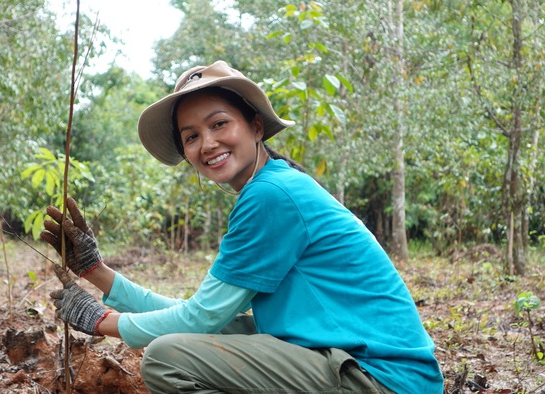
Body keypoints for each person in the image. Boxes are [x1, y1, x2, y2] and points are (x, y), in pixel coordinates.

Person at [42, 60, 444, 394]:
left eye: (219, 124)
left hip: (383, 379)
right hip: (362, 368)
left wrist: (101, 322)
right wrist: (96, 273)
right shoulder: (275, 186)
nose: (208, 143)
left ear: (255, 125)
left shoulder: (271, 195)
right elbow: (209, 318)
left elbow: (196, 321)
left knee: (167, 358)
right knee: (234, 329)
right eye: (192, 136)